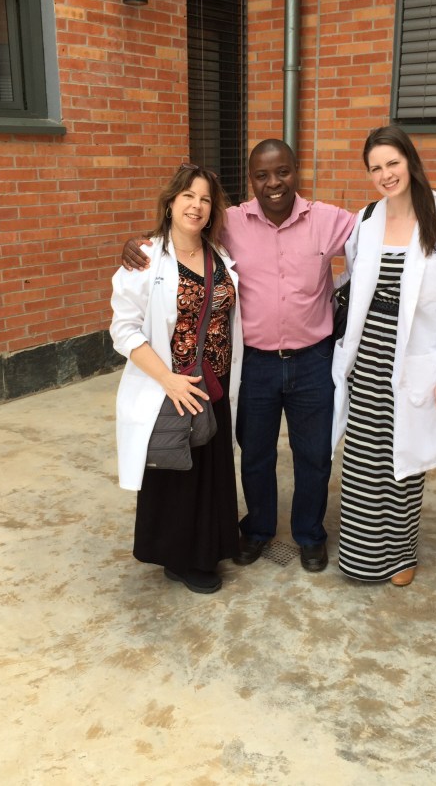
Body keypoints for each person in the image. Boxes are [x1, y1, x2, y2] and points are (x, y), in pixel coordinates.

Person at [121, 141, 358, 572]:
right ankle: (259, 529)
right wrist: (137, 245)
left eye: (282, 172)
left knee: (314, 453)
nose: (273, 183)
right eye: (262, 175)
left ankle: (309, 534)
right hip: (257, 364)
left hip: (312, 360)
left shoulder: (327, 219)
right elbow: (183, 232)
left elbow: (379, 228)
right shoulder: (229, 222)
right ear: (251, 180)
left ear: (295, 172)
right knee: (255, 452)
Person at [331, 125, 436, 587]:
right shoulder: (366, 220)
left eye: (392, 163)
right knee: (364, 460)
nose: (385, 174)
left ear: (410, 161)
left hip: (416, 359)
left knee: (404, 463)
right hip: (368, 354)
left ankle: (400, 556)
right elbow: (354, 286)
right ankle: (362, 557)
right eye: (375, 168)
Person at [110, 165, 243, 594]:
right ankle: (180, 557)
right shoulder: (146, 258)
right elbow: (123, 330)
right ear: (170, 202)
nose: (196, 205)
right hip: (173, 386)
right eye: (188, 195)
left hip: (215, 385)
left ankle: (207, 549)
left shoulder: (219, 255)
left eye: (205, 199)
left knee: (211, 471)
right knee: (177, 470)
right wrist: (168, 380)